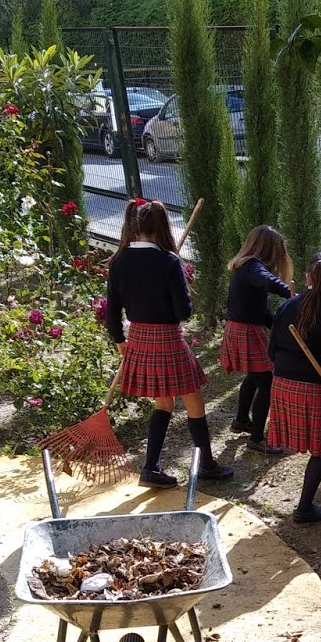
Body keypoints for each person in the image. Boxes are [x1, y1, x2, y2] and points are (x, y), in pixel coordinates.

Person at [102, 199, 234, 486]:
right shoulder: (169, 261)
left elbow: (112, 310)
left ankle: (150, 468)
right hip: (167, 339)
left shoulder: (119, 261)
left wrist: (119, 339)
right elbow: (183, 311)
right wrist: (181, 284)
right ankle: (206, 463)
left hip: (139, 338)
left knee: (163, 401)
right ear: (161, 227)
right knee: (193, 398)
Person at [268, 250, 321, 523]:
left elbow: (272, 352)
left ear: (308, 277)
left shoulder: (286, 307)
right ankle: (304, 509)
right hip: (313, 392)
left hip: (281, 387)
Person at [223, 224, 294, 454]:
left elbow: (259, 310)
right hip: (245, 330)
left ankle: (241, 420)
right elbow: (268, 281)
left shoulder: (244, 267)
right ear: (269, 250)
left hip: (238, 328)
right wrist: (292, 295)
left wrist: (279, 326)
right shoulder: (253, 267)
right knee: (267, 382)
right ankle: (256, 439)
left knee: (255, 375)